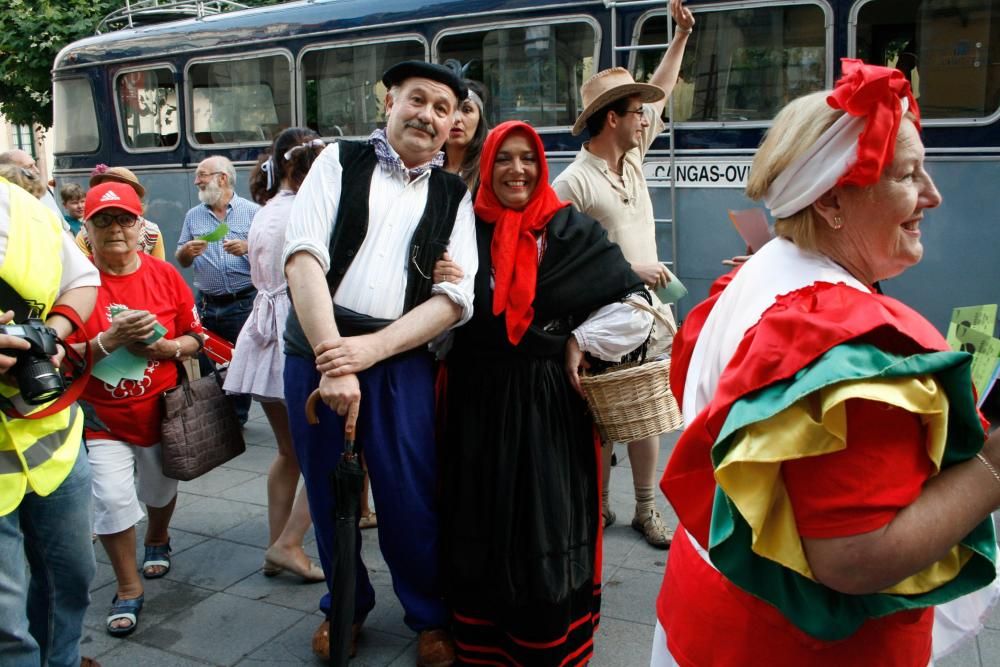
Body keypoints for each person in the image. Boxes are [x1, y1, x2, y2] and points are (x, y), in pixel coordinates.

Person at [652, 60, 1000, 666]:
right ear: (834, 201)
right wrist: (993, 469)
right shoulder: (839, 339)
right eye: (907, 175)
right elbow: (854, 557)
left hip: (709, 615)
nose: (933, 196)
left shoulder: (758, 273)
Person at [282, 60, 477, 665]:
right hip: (316, 351)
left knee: (408, 492)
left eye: (443, 109)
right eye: (417, 100)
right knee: (328, 492)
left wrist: (368, 352)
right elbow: (302, 259)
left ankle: (428, 614)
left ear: (452, 128)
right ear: (388, 102)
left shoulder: (453, 194)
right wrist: (333, 360)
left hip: (397, 360)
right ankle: (345, 608)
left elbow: (455, 300)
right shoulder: (338, 161)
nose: (428, 115)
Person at [439, 121, 652, 665]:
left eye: (527, 159)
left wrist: (579, 339)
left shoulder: (569, 230)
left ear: (541, 165)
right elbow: (433, 312)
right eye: (504, 160)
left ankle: (549, 633)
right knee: (483, 513)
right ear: (487, 167)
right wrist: (441, 282)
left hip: (549, 401)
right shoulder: (462, 229)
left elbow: (632, 308)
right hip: (476, 398)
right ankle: (483, 636)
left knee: (547, 513)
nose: (516, 170)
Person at [552, 0, 694, 549]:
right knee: (603, 416)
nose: (646, 119)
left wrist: (679, 37)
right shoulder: (573, 183)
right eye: (637, 112)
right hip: (605, 318)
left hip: (650, 315)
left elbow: (661, 83)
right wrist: (625, 269)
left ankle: (643, 508)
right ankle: (600, 507)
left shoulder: (630, 157)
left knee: (648, 414)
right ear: (613, 118)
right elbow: (557, 258)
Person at [68, 182, 204, 638]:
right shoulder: (77, 283)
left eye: (125, 219)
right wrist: (109, 340)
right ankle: (128, 587)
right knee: (110, 499)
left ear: (140, 225)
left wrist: (169, 346)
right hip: (101, 419)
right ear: (86, 228)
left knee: (159, 490)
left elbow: (195, 336)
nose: (116, 230)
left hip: (161, 411)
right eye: (102, 220)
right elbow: (62, 356)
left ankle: (158, 538)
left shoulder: (164, 275)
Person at [0, 175, 101, 667]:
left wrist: (51, 336)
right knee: (5, 624)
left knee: (73, 580)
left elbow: (81, 280)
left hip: (54, 447)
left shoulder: (22, 205)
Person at [224, 128, 325, 583]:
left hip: (261, 338)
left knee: (288, 453)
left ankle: (276, 544)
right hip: (293, 334)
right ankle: (289, 543)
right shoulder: (304, 211)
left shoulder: (266, 211)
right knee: (325, 453)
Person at [176, 156, 259, 424]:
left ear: (222, 178)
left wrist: (249, 247)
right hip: (206, 304)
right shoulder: (193, 215)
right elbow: (182, 258)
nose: (196, 180)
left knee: (239, 360)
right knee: (207, 361)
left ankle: (237, 417)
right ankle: (214, 413)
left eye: (202, 175)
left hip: (242, 301)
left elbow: (272, 255)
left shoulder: (253, 211)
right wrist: (186, 252)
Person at [76, 166, 165, 259]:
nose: (115, 229)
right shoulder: (85, 234)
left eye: (126, 220)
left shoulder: (152, 233)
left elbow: (159, 268)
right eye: (105, 188)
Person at [443, 79, 489, 193]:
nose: (456, 119)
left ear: (480, 119)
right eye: (448, 109)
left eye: (467, 110)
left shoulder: (490, 170)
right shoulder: (424, 167)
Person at [0, 149, 62, 218]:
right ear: (10, 171)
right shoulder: (5, 201)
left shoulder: (43, 191)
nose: (37, 171)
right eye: (29, 167)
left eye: (34, 165)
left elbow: (62, 224)